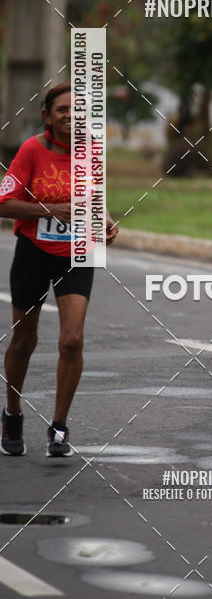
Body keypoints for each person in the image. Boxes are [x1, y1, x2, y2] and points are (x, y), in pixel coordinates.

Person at [0, 84, 117, 457]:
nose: (71, 115)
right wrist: (47, 211)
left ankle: (59, 427)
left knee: (72, 339)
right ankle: (13, 414)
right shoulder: (32, 150)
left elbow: (96, 200)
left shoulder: (92, 152)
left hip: (78, 252)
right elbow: (4, 203)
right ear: (47, 116)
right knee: (24, 341)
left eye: (77, 110)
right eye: (62, 109)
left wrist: (107, 222)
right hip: (33, 252)